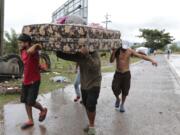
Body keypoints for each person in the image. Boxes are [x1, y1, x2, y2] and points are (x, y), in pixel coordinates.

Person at [56, 47, 101, 135]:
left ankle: (92, 126)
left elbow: (95, 67)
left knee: (91, 105)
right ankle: (90, 123)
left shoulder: (95, 54)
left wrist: (87, 55)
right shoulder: (78, 55)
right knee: (86, 105)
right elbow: (66, 56)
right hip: (84, 84)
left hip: (95, 83)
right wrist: (57, 49)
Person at [110, 44, 158, 113]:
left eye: (125, 49)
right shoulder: (117, 51)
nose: (124, 50)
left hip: (126, 73)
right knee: (114, 88)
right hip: (118, 73)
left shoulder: (130, 51)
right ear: (120, 46)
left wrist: (151, 60)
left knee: (125, 90)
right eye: (123, 49)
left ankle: (122, 105)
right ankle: (118, 99)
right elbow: (111, 61)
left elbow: (141, 56)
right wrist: (113, 52)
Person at [18, 33, 47, 129]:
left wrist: (34, 46)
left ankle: (43, 110)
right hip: (25, 80)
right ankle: (30, 120)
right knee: (25, 101)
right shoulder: (22, 51)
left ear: (27, 42)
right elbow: (28, 63)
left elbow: (38, 47)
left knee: (30, 101)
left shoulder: (34, 51)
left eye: (21, 42)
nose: (20, 44)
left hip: (34, 80)